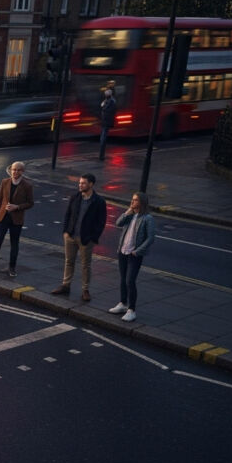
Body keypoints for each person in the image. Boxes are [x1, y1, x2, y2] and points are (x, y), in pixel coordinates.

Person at [51, 174, 107, 302]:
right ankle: (66, 285)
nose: (80, 185)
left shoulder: (98, 201)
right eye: (80, 183)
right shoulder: (75, 197)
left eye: (83, 183)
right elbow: (68, 214)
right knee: (68, 262)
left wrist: (93, 237)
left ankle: (85, 290)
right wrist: (65, 231)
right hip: (70, 236)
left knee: (85, 265)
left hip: (86, 239)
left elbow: (101, 222)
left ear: (91, 184)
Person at [109, 193, 155, 322]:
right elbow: (118, 223)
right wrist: (128, 212)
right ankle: (123, 304)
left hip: (134, 254)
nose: (132, 202)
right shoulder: (130, 215)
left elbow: (150, 238)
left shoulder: (147, 218)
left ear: (142, 203)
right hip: (122, 251)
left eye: (135, 200)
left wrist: (138, 251)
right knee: (123, 279)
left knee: (130, 281)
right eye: (132, 200)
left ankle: (132, 310)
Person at [0, 161, 34, 277]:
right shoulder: (5, 182)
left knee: (14, 244)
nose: (15, 172)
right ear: (10, 170)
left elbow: (30, 203)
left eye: (18, 170)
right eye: (13, 169)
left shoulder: (27, 185)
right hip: (3, 217)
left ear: (22, 172)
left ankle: (12, 268)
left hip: (16, 219)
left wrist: (17, 207)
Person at [99, 89, 117, 160]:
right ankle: (102, 153)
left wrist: (103, 107)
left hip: (106, 120)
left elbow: (103, 107)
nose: (105, 95)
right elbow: (102, 105)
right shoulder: (109, 100)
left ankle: (102, 154)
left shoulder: (110, 101)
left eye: (105, 94)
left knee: (103, 136)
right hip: (106, 120)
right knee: (104, 134)